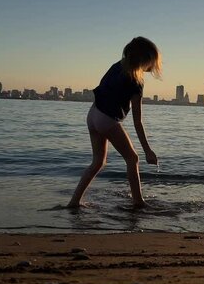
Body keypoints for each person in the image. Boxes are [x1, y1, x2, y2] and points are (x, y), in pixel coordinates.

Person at [68, 37, 161, 209]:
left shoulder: (116, 66)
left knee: (97, 162)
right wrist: (148, 150)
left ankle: (74, 202)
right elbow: (137, 122)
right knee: (132, 158)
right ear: (146, 59)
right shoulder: (137, 82)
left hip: (93, 114)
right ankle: (138, 202)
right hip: (107, 119)